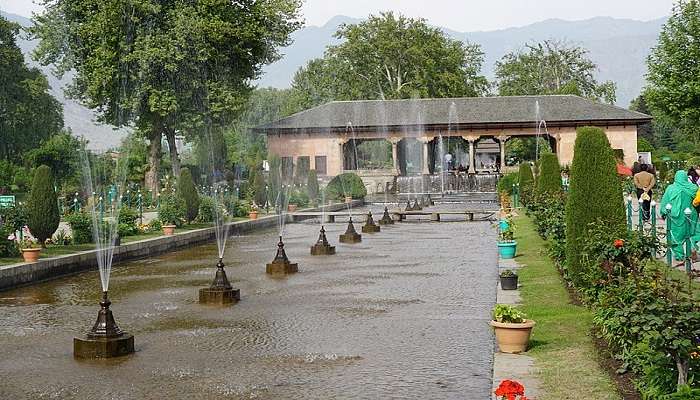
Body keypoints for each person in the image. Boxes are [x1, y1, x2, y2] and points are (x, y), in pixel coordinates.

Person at [660, 170, 699, 264]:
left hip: (676, 216)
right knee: (693, 233)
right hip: (691, 215)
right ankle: (692, 249)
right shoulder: (693, 187)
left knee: (676, 236)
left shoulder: (671, 188)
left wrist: (663, 212)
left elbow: (665, 201)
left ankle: (679, 255)